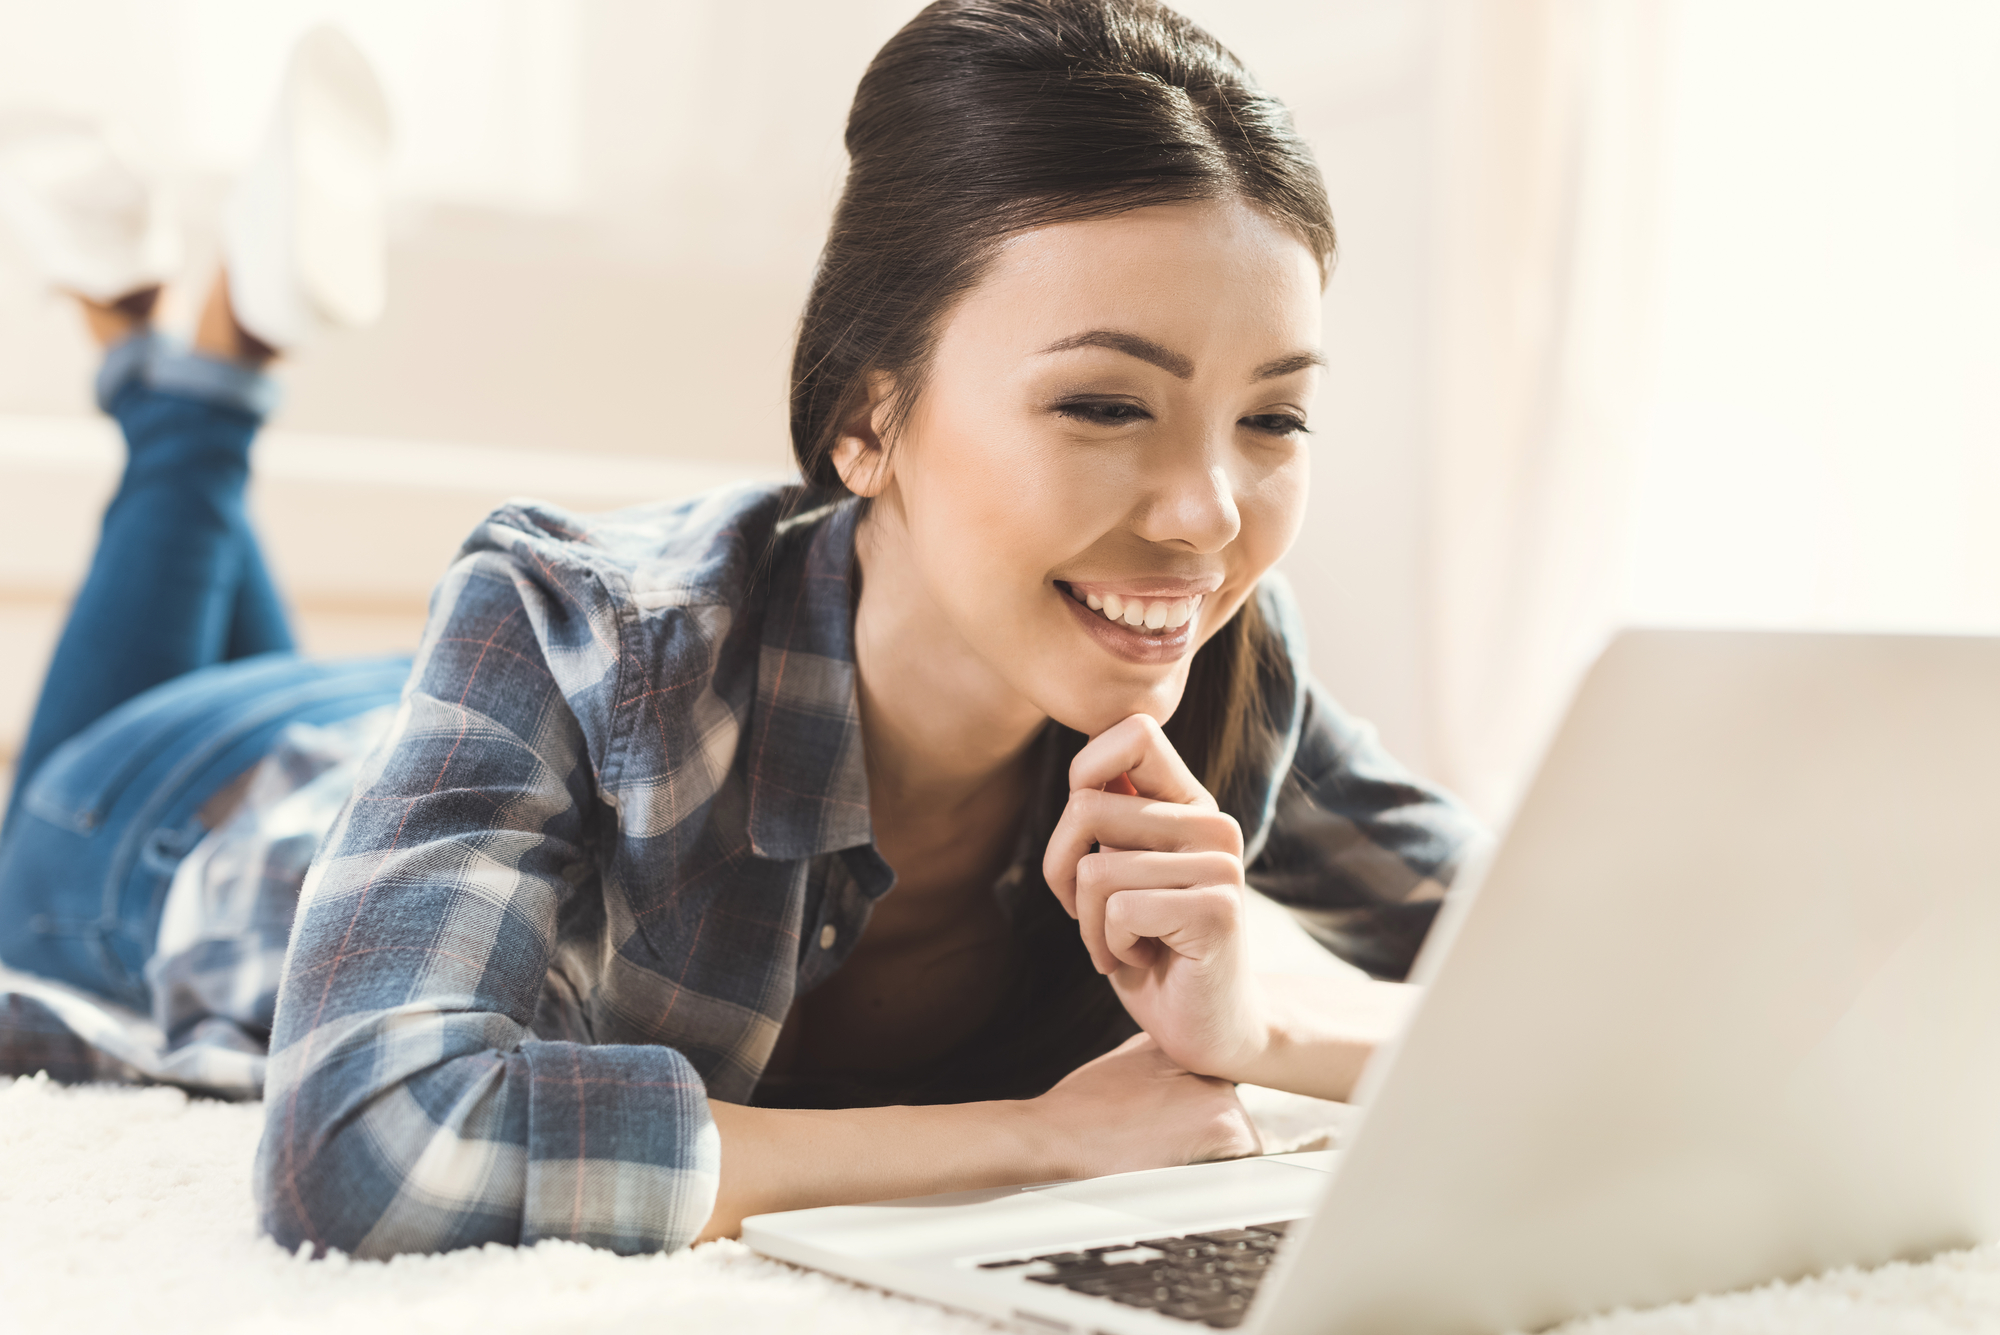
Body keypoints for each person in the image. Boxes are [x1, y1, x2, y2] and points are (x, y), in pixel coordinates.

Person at [3, 0, 1483, 1261]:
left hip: (417, 725)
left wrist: (1279, 1040)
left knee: (207, 508)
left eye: (1274, 416)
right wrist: (1031, 1142)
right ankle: (201, 379)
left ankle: (158, 343)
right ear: (865, 419)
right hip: (176, 822)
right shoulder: (573, 623)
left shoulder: (1224, 658)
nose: (1205, 518)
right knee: (54, 793)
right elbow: (369, 1145)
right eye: (1104, 405)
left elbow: (1583, 977)